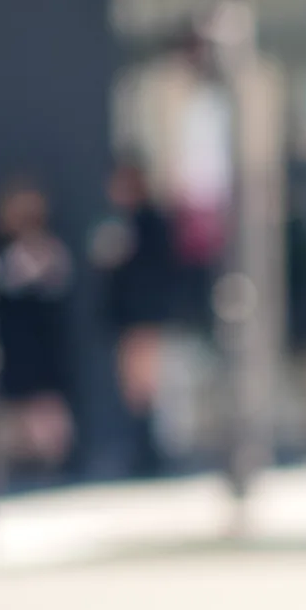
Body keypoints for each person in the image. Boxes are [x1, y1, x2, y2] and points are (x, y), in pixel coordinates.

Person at [89, 159, 177, 477]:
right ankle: (142, 450)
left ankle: (149, 452)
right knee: (134, 388)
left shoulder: (147, 222)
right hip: (129, 317)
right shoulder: (122, 222)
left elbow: (156, 270)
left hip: (143, 316)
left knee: (144, 385)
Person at [0, 174, 75, 477]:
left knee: (47, 409)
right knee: (19, 414)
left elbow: (58, 285)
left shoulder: (51, 248)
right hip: (14, 343)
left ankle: (51, 466)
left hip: (46, 344)